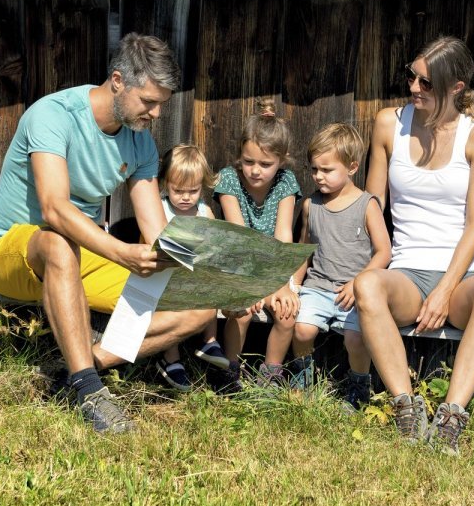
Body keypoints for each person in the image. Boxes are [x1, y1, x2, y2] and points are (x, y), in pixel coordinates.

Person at [0, 33, 215, 433]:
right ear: (118, 81)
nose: (156, 114)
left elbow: (158, 230)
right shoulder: (53, 115)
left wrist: (222, 278)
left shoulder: (139, 142)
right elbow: (54, 208)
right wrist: (122, 253)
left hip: (80, 257)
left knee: (200, 306)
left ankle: (79, 368)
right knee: (58, 241)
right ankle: (91, 395)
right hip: (13, 251)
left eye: (162, 104)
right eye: (149, 102)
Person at [355, 36, 474, 455]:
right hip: (405, 270)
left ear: (456, 88)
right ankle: (406, 408)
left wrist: (444, 290)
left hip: (461, 278)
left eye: (426, 83)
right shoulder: (390, 123)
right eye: (412, 77)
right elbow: (374, 206)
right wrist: (367, 265)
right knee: (369, 287)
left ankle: (450, 418)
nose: (414, 88)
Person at [287, 123, 391, 409]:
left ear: (352, 167)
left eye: (327, 170)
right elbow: (303, 250)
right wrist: (293, 286)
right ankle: (303, 377)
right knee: (302, 330)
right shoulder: (311, 205)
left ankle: (359, 384)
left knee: (357, 338)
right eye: (314, 169)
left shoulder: (367, 204)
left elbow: (383, 252)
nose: (318, 176)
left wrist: (359, 283)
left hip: (354, 293)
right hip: (318, 286)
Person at [213, 99, 302, 390]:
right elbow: (239, 236)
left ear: (282, 161)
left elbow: (283, 234)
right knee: (241, 310)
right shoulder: (229, 179)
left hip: (274, 264)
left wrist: (280, 284)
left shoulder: (286, 182)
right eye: (249, 161)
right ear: (240, 155)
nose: (255, 170)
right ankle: (230, 370)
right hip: (239, 262)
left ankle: (270, 374)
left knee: (286, 314)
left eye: (265, 164)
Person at [154, 144, 229, 391]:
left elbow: (216, 242)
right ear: (165, 184)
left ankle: (210, 341)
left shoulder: (204, 212)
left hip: (196, 274)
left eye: (193, 191)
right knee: (170, 300)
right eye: (178, 191)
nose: (186, 197)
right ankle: (171, 359)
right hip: (167, 276)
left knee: (211, 283)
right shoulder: (160, 209)